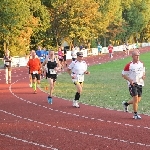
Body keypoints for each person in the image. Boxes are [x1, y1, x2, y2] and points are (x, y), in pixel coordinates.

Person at [122, 50, 146, 119]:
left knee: (138, 100)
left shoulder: (141, 63)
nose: (137, 56)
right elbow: (123, 75)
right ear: (132, 56)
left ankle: (126, 104)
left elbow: (143, 71)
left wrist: (144, 75)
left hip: (140, 83)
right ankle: (135, 115)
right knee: (135, 98)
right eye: (136, 55)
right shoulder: (129, 65)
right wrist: (130, 80)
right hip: (132, 84)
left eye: (138, 55)